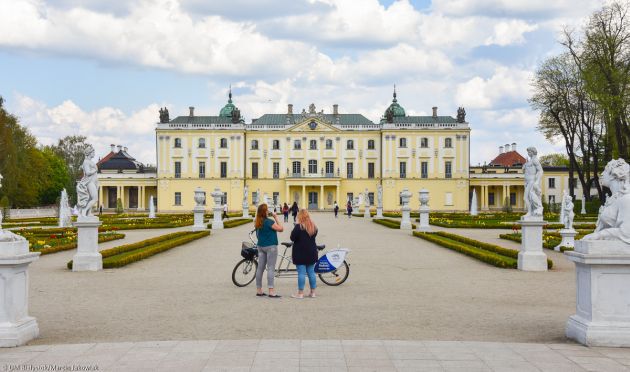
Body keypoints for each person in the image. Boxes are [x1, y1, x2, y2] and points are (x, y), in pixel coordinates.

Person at [254, 203, 283, 298]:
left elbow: (257, 235)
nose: (268, 211)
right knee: (271, 268)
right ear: (264, 212)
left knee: (260, 268)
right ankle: (271, 291)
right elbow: (281, 229)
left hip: (261, 246)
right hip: (271, 247)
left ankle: (259, 290)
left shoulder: (257, 221)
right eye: (267, 210)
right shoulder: (269, 222)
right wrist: (276, 217)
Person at [290, 209, 318, 299]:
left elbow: (292, 238)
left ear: (300, 217)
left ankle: (300, 293)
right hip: (311, 252)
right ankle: (313, 293)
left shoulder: (298, 227)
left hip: (300, 252)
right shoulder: (313, 226)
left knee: (301, 273)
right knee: (311, 273)